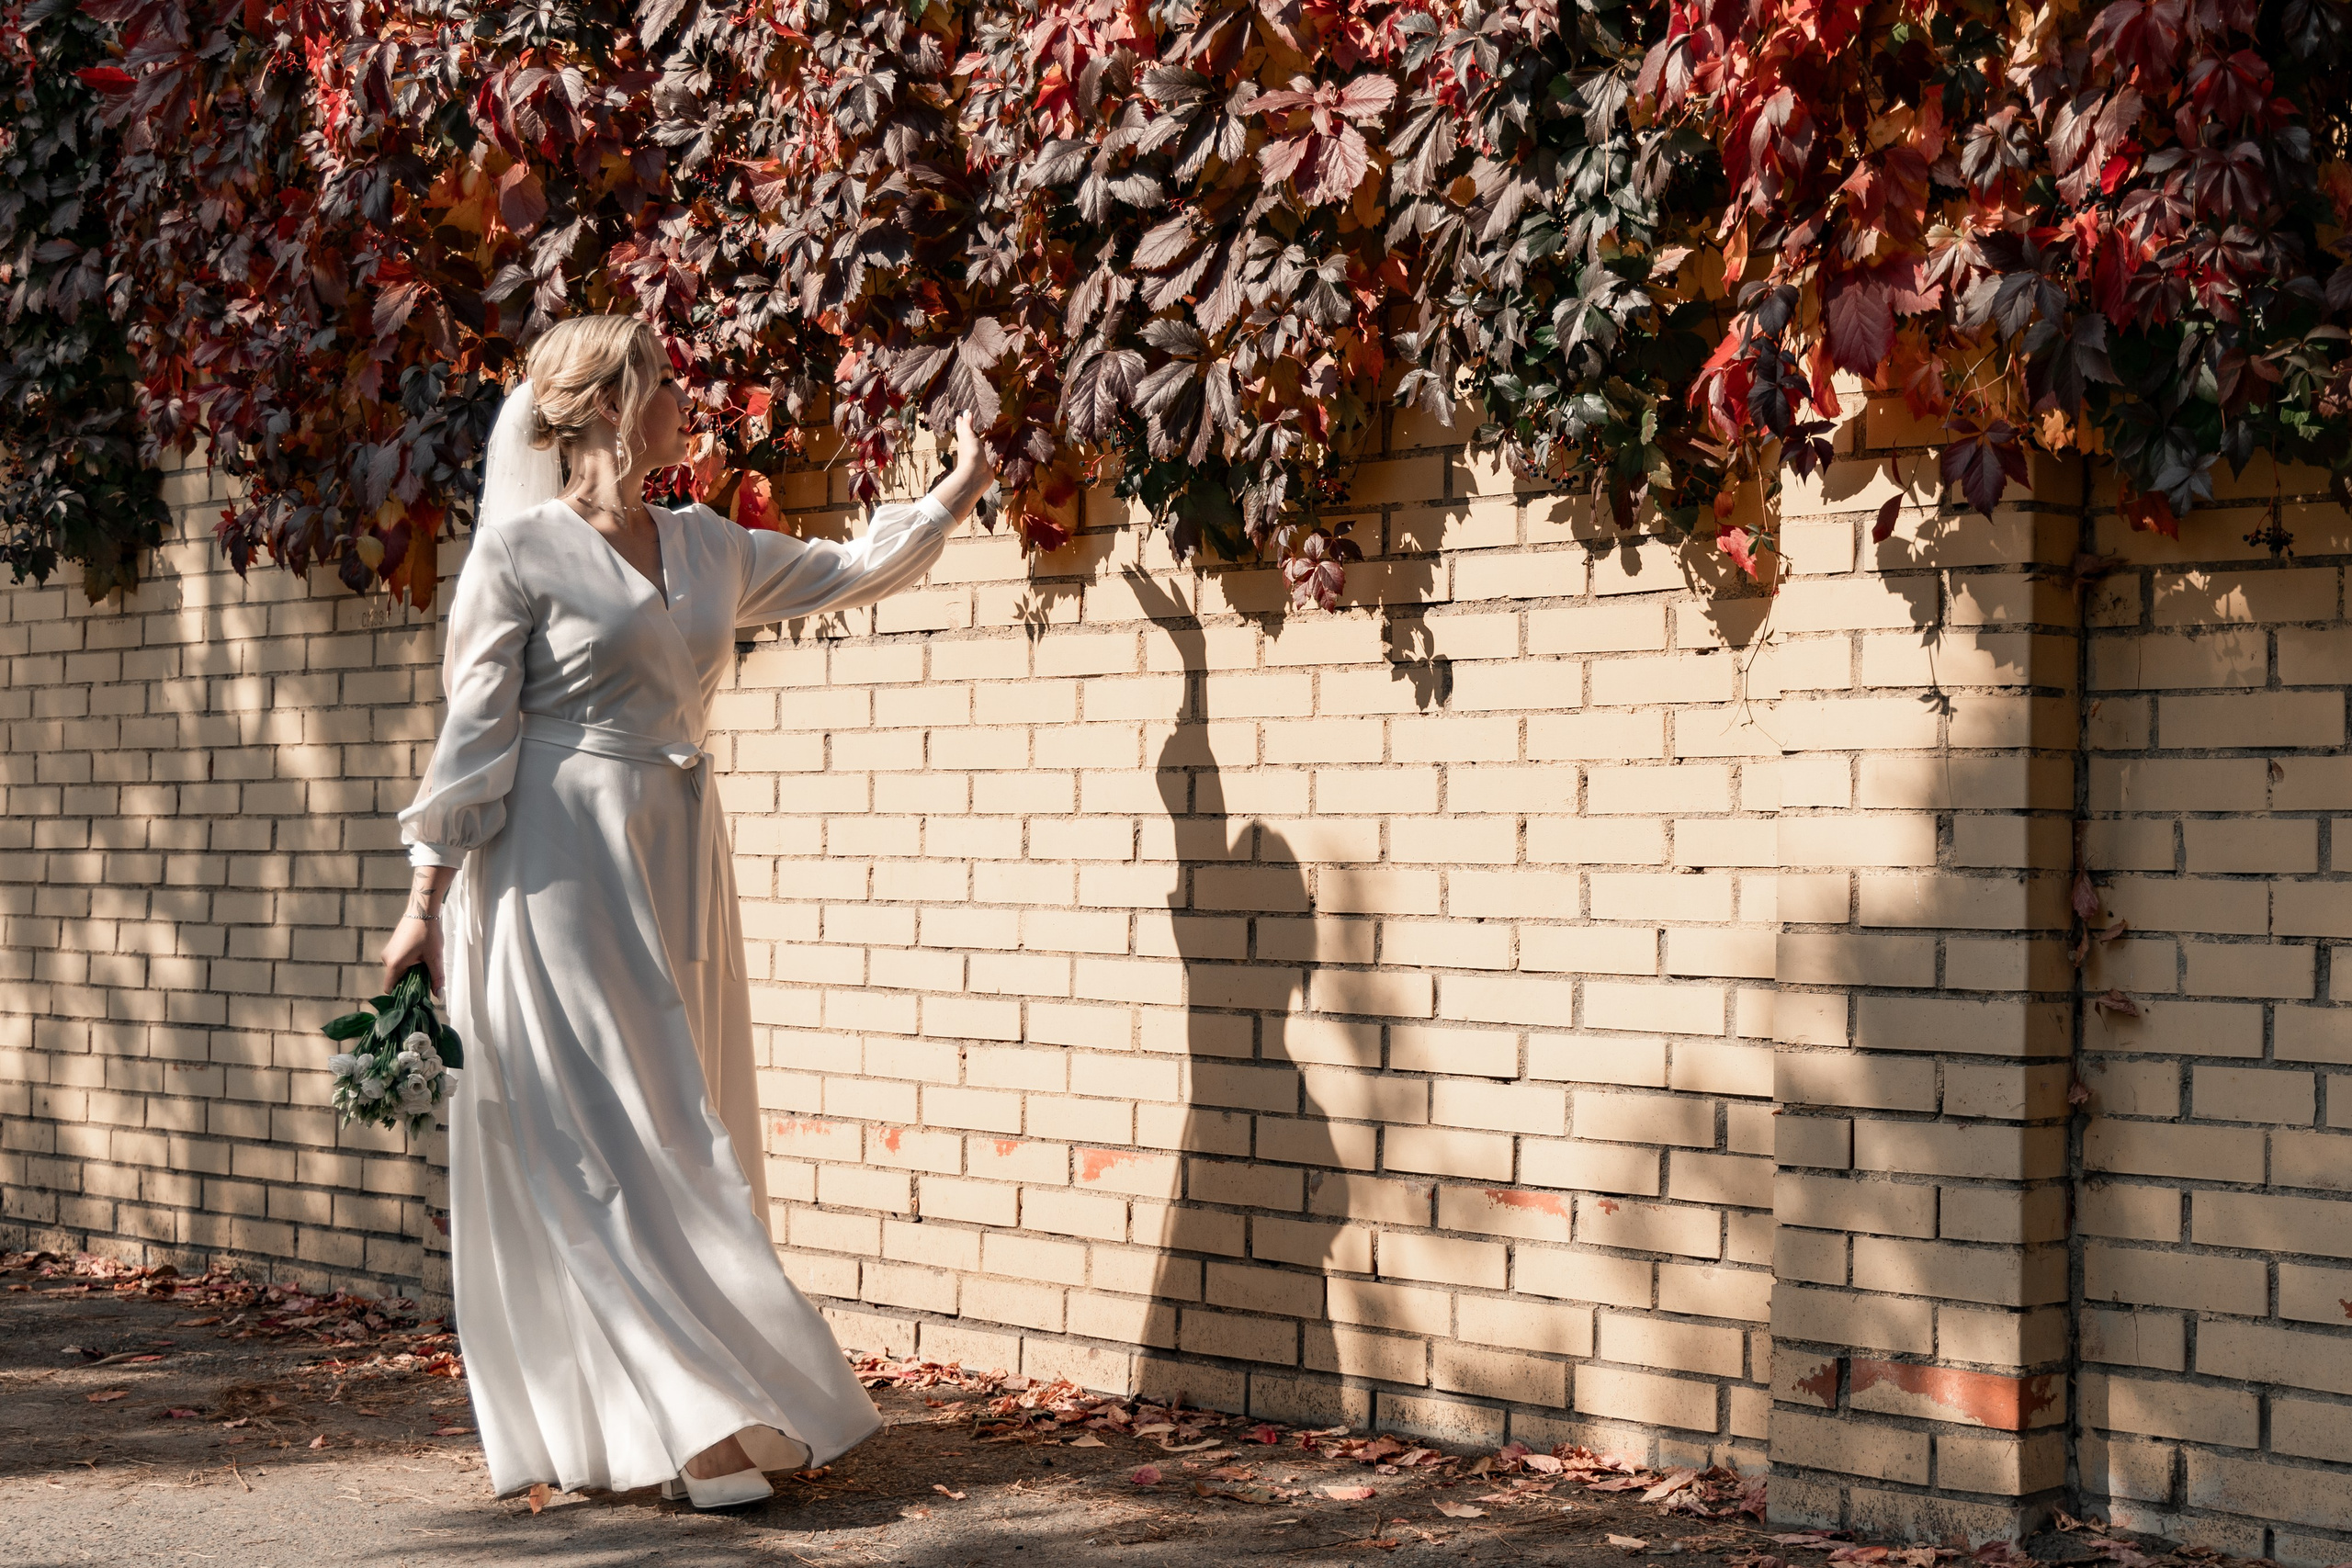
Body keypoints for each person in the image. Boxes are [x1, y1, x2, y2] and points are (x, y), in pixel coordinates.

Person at [382, 314, 996, 1508]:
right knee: (599, 1142)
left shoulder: (709, 544)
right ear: (612, 407)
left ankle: (703, 1390)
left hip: (675, 859)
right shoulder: (521, 555)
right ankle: (696, 1422)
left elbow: (844, 571)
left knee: (682, 1127)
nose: (687, 403)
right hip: (552, 866)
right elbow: (473, 737)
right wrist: (425, 900)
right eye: (665, 385)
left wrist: (959, 489)